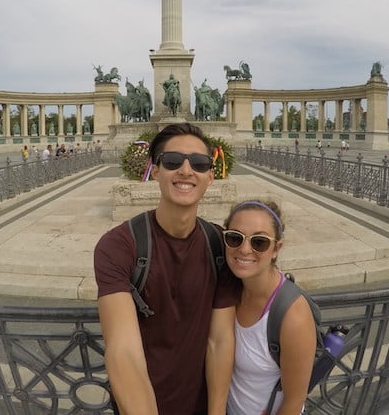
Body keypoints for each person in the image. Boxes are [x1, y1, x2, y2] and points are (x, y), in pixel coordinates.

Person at [95, 123, 240, 415]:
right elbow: (123, 351)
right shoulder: (119, 246)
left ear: (211, 176)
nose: (186, 171)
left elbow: (220, 340)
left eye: (199, 164)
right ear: (155, 169)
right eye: (173, 161)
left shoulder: (221, 246)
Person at [223, 200, 316, 415]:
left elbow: (294, 403)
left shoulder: (293, 316)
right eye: (235, 238)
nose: (245, 249)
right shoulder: (229, 288)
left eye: (260, 242)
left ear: (276, 248)